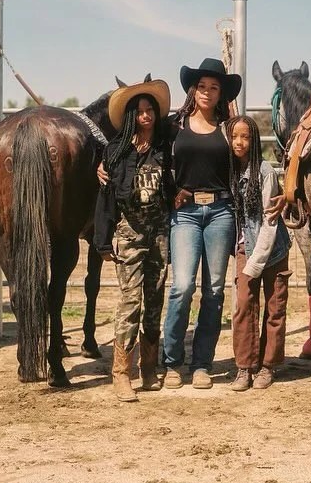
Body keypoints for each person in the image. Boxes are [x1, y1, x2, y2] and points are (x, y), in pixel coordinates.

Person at [93, 77, 175, 402]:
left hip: (160, 232)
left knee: (155, 298)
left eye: (150, 110)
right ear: (131, 116)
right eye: (140, 112)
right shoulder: (116, 151)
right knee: (130, 300)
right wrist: (102, 241)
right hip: (129, 233)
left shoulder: (165, 144)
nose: (146, 116)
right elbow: (105, 197)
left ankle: (150, 367)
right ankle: (121, 373)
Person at [163, 58, 240, 389]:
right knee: (181, 287)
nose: (208, 92)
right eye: (203, 86)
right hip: (185, 214)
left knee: (214, 290)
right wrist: (104, 165)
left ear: (220, 94)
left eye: (215, 87)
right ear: (193, 90)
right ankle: (171, 362)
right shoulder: (173, 126)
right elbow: (145, 156)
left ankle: (202, 364)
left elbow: (249, 161)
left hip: (221, 211)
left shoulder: (228, 128)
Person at [226, 116, 292, 391]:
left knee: (274, 308)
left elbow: (270, 221)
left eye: (246, 137)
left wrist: (256, 262)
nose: (239, 142)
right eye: (235, 137)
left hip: (272, 249)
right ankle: (244, 366)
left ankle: (267, 365)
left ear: (253, 141)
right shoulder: (228, 170)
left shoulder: (264, 171)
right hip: (245, 246)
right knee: (243, 305)